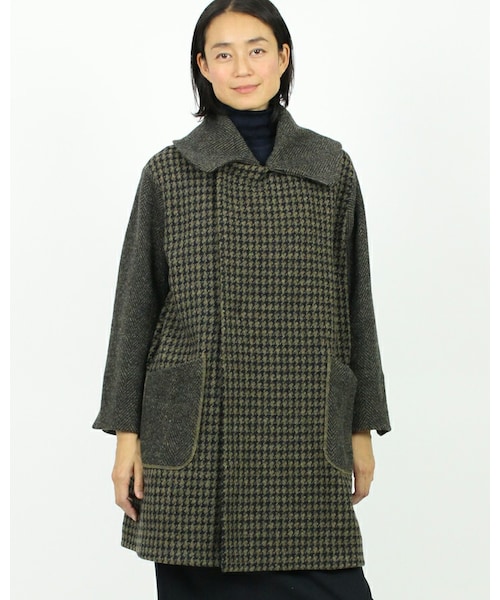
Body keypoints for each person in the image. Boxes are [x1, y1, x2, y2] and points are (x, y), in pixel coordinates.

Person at [93, 0, 391, 598]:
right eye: (223, 54)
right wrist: (127, 436)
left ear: (283, 57)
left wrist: (362, 426)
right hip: (196, 435)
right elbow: (135, 308)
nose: (242, 68)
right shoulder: (169, 172)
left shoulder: (330, 168)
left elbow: (357, 300)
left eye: (256, 50)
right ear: (203, 67)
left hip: (306, 428)